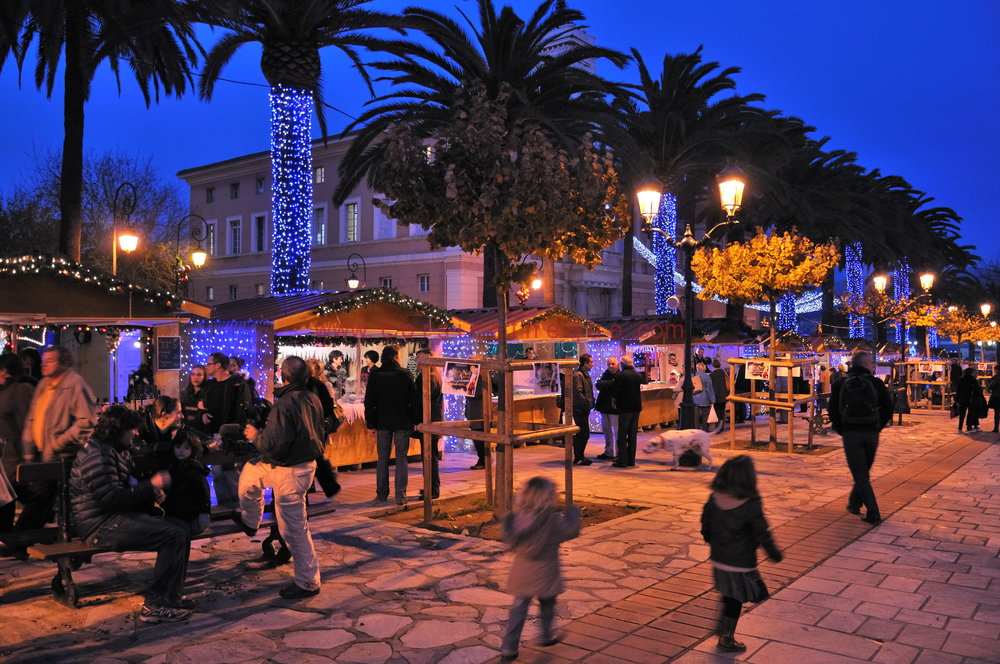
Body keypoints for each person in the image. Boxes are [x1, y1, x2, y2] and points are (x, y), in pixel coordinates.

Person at [69, 405, 191, 623]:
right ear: (118, 429)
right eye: (132, 429)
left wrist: (152, 493)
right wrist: (150, 486)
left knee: (182, 528)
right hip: (98, 524)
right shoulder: (97, 453)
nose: (136, 433)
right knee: (173, 535)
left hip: (112, 517)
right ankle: (155, 605)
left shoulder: (115, 449)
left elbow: (126, 488)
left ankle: (171, 599)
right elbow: (110, 499)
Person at [234, 356, 325, 599]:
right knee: (250, 474)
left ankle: (308, 582)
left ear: (282, 375)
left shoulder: (286, 403)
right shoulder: (311, 397)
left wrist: (255, 435)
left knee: (294, 530)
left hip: (290, 470)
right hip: (296, 465)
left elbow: (273, 445)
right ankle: (251, 520)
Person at [700, 455, 783, 652]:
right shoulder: (750, 502)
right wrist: (773, 552)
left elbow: (706, 525)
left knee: (729, 593)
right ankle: (726, 637)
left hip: (719, 559)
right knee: (737, 598)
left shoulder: (714, 497)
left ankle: (723, 626)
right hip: (741, 561)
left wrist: (713, 542)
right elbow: (761, 531)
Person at [16, 346, 97, 532]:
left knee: (42, 496)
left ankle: (22, 539)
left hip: (62, 455)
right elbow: (33, 416)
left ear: (64, 363)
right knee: (42, 497)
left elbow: (86, 421)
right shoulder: (44, 384)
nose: (44, 364)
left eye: (50, 361)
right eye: (44, 360)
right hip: (42, 452)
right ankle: (33, 536)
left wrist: (59, 442)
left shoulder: (75, 384)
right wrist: (28, 447)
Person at [500, 476, 581, 660]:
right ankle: (546, 635)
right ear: (548, 497)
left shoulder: (517, 519)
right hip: (545, 573)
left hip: (523, 574)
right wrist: (572, 513)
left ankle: (509, 646)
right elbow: (571, 530)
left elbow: (510, 535)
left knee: (518, 609)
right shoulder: (552, 522)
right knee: (547, 604)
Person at [828, 351, 893, 525]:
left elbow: (833, 409)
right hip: (871, 432)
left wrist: (842, 429)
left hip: (851, 433)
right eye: (872, 362)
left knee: (860, 473)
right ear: (864, 363)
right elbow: (888, 407)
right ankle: (856, 504)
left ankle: (871, 511)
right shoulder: (876, 383)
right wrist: (877, 426)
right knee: (863, 472)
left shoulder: (842, 383)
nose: (874, 365)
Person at [364, 345, 415, 504]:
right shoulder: (405, 374)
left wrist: (370, 422)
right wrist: (413, 419)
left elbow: (369, 401)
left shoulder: (375, 374)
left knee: (382, 458)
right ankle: (400, 495)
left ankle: (382, 494)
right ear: (396, 357)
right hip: (402, 421)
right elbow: (413, 400)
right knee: (401, 458)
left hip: (382, 421)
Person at [0, 353, 34, 532]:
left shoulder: (20, 390)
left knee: (10, 494)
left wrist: (27, 453)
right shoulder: (4, 390)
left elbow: (26, 423)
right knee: (9, 495)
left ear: (5, 371)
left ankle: (11, 535)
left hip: (14, 455)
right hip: (5, 455)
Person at [160, 431, 212, 536]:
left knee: (178, 531)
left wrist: (205, 512)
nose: (181, 451)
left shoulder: (194, 469)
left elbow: (204, 493)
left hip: (192, 515)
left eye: (186, 448)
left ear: (192, 450)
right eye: (178, 447)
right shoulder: (172, 467)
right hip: (177, 513)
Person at [412, 348, 442, 500]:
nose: (417, 362)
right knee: (430, 457)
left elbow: (422, 401)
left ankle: (432, 489)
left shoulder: (428, 377)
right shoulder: (431, 375)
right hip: (432, 421)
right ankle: (430, 487)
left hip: (430, 422)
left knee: (430, 457)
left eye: (419, 359)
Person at [201, 352, 252, 435]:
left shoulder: (238, 384)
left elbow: (243, 412)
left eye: (208, 364)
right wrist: (203, 414)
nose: (206, 367)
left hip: (230, 435)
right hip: (211, 433)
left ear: (218, 365)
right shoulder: (209, 385)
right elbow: (202, 404)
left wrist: (233, 431)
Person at [612, 355, 645, 468]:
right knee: (632, 435)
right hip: (636, 408)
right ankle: (631, 460)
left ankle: (622, 461)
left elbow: (615, 392)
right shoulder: (638, 375)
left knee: (622, 435)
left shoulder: (620, 375)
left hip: (625, 408)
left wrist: (614, 401)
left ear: (622, 364)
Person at [570, 354, 595, 465]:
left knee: (583, 434)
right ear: (585, 363)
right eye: (591, 362)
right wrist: (587, 402)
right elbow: (578, 393)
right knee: (582, 434)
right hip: (579, 410)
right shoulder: (578, 376)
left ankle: (580, 456)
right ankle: (578, 457)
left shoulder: (584, 375)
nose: (592, 364)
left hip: (583, 409)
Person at [594, 357, 619, 461]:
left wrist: (605, 384)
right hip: (604, 408)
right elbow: (598, 384)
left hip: (615, 409)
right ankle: (608, 451)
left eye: (613, 364)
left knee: (617, 432)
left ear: (617, 365)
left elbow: (616, 386)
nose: (611, 366)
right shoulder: (606, 374)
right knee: (606, 431)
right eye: (609, 364)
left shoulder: (619, 375)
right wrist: (610, 383)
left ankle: (619, 453)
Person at [180, 365, 209, 434]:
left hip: (202, 431)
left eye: (199, 375)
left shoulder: (208, 394)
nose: (195, 377)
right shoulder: (185, 393)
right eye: (193, 374)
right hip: (187, 430)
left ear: (204, 377)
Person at [955, 366, 983, 432]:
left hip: (962, 399)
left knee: (962, 414)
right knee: (970, 413)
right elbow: (976, 390)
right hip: (970, 399)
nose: (975, 375)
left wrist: (957, 399)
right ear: (970, 373)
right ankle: (969, 427)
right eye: (974, 373)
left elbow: (958, 390)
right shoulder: (973, 381)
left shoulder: (961, 380)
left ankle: (960, 428)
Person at [691, 361, 717, 432]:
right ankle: (705, 430)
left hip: (695, 399)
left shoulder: (693, 376)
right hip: (705, 399)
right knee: (705, 416)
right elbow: (709, 388)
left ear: (697, 368)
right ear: (704, 368)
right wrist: (712, 400)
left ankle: (696, 431)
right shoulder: (706, 376)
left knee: (696, 417)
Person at [709, 359, 729, 431]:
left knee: (717, 412)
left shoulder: (711, 375)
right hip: (724, 395)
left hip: (716, 395)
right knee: (722, 411)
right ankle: (722, 426)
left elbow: (711, 386)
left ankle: (718, 428)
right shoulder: (723, 373)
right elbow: (727, 383)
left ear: (713, 365)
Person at [988, 365, 1000, 433]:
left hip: (997, 396)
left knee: (997, 412)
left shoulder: (996, 378)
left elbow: (991, 386)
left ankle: (996, 427)